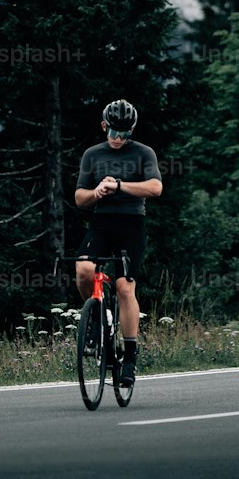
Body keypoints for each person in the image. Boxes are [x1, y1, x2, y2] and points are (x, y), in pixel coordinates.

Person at [74, 98, 162, 385]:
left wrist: (121, 186)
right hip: (102, 221)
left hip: (131, 223)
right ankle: (98, 321)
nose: (118, 138)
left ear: (132, 130)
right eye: (114, 132)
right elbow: (79, 198)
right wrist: (97, 192)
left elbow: (155, 187)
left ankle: (130, 356)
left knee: (125, 286)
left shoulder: (143, 153)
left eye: (125, 133)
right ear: (104, 126)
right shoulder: (92, 154)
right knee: (84, 270)